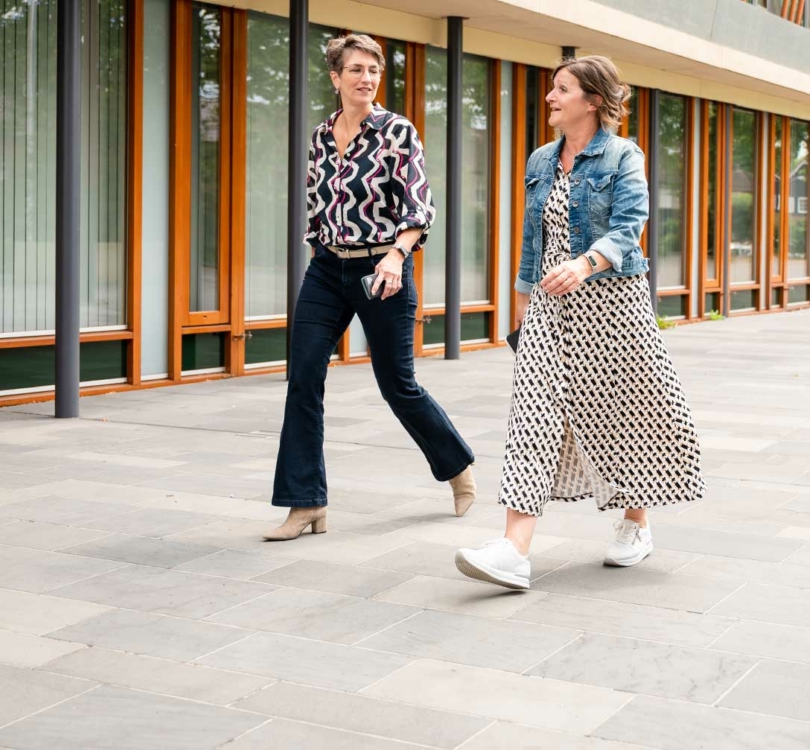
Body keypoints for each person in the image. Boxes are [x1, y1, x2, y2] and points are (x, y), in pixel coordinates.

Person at [455, 55, 704, 589]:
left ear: (592, 101)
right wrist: (522, 301)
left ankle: (636, 523)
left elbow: (629, 224)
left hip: (613, 305)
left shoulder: (622, 155)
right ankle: (514, 550)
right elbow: (532, 237)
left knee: (622, 415)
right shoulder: (542, 159)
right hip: (550, 305)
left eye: (561, 89)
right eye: (552, 88)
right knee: (533, 414)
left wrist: (585, 263)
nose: (550, 97)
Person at [264, 33, 476, 541]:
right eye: (356, 70)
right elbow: (320, 201)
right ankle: (305, 503)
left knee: (396, 384)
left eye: (373, 71)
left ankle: (457, 466)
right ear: (335, 78)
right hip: (327, 270)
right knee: (304, 377)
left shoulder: (397, 132)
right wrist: (318, 238)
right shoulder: (320, 136)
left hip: (383, 270)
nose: (366, 79)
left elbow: (419, 207)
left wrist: (396, 257)